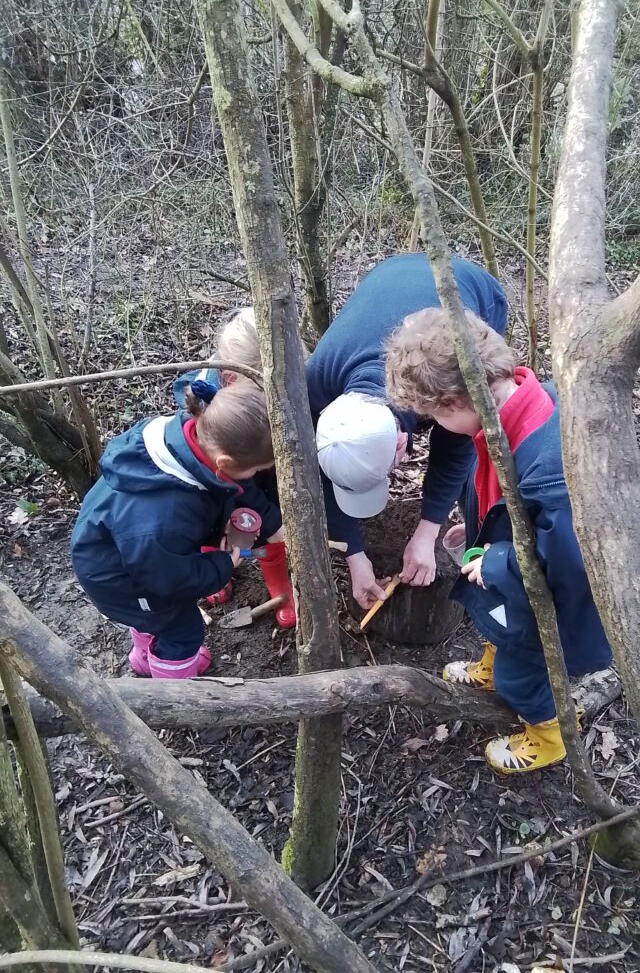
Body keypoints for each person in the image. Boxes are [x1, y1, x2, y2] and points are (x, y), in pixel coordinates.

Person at [384, 308, 612, 775]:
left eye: (431, 415)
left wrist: (497, 562)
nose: (431, 424)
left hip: (540, 606)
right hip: (507, 583)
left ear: (455, 402)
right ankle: (493, 661)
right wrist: (481, 529)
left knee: (522, 675)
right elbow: (507, 503)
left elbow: (569, 563)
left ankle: (549, 734)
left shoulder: (551, 466)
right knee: (494, 623)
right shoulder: (510, 413)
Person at [307, 253, 508, 610]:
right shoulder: (315, 383)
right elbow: (321, 474)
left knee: (470, 422)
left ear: (402, 443)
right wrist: (355, 557)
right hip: (388, 278)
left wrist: (427, 533)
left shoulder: (438, 383)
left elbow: (457, 445)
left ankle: (478, 529)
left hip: (468, 289)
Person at [71, 380, 288, 679]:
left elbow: (232, 484)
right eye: (257, 470)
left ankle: (142, 657)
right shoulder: (162, 516)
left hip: (122, 553)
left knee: (149, 615)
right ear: (224, 463)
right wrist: (221, 565)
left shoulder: (194, 440)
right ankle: (174, 686)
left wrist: (271, 523)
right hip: (120, 579)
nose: (256, 476)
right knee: (182, 630)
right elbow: (170, 580)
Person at [172, 306, 296, 627]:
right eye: (265, 396)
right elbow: (236, 482)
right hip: (213, 482)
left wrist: (271, 521)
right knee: (216, 523)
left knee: (267, 513)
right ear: (230, 380)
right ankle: (217, 571)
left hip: (255, 453)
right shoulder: (200, 412)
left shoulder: (257, 386)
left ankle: (278, 581)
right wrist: (271, 523)